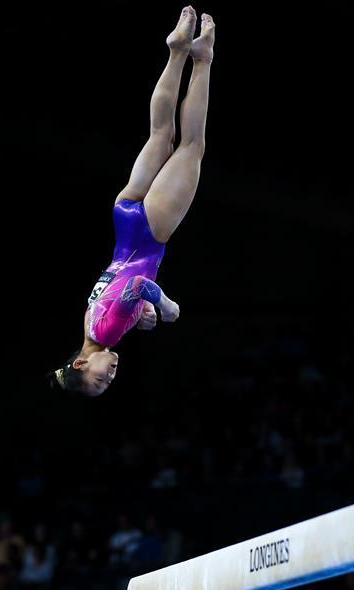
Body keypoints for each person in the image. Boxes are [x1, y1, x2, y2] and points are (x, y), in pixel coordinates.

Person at [49, 5, 215, 396]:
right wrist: (143, 311)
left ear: (80, 362)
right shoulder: (91, 323)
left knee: (192, 146)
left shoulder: (104, 331)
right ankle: (177, 51)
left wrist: (165, 304)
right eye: (109, 382)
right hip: (124, 220)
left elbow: (138, 280)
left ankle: (203, 58)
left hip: (148, 234)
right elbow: (123, 286)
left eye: (101, 376)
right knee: (161, 135)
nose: (110, 374)